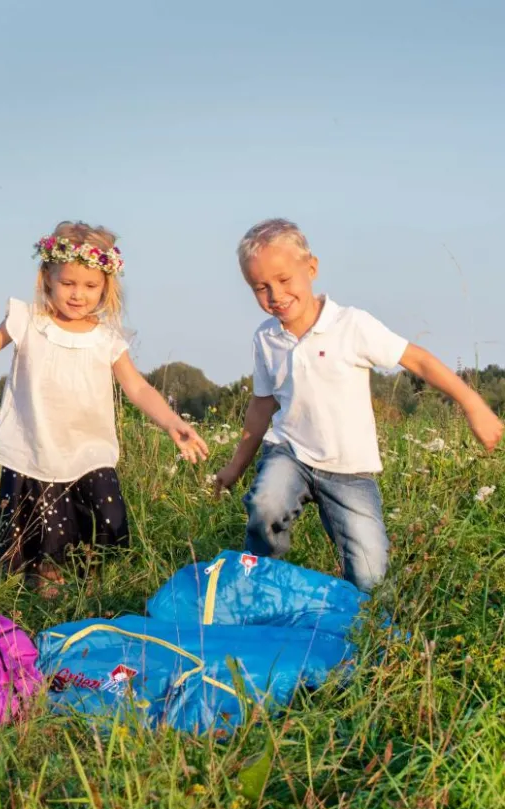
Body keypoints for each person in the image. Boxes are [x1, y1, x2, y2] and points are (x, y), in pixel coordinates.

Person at [215, 218, 503, 593]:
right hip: (291, 453)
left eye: (284, 280)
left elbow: (417, 360)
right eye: (261, 287)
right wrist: (236, 465)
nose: (275, 295)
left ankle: (361, 622)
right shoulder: (266, 338)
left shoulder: (351, 325)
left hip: (349, 470)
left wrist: (472, 404)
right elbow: (261, 404)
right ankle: (258, 583)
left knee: (370, 577)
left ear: (312, 268)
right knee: (266, 503)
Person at [0, 220, 209, 591]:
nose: (78, 295)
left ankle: (94, 589)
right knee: (46, 535)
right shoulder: (27, 321)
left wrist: (172, 422)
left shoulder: (107, 338)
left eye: (90, 286)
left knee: (104, 521)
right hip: (36, 449)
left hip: (90, 451)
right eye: (68, 283)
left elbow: (137, 387)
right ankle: (46, 589)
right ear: (48, 279)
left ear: (106, 286)